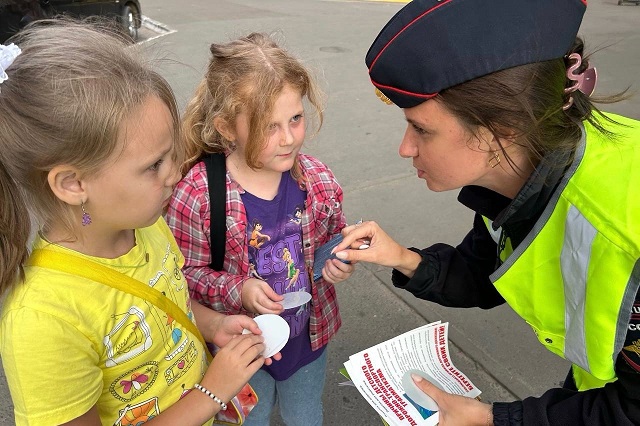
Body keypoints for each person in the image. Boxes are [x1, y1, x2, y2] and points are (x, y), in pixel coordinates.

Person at [333, 0, 640, 425]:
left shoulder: (624, 234)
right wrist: (402, 258)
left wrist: (493, 418)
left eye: (421, 129)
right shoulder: (526, 168)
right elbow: (489, 271)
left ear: (501, 132)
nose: (405, 148)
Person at [0, 20, 279, 426]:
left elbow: (167, 304)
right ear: (72, 183)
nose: (174, 175)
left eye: (171, 155)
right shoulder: (45, 319)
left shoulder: (146, 225)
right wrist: (211, 393)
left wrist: (214, 323)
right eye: (154, 165)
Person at [165, 32, 354, 426]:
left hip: (307, 341)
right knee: (250, 420)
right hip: (241, 350)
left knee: (307, 416)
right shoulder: (198, 195)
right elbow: (180, 278)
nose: (288, 139)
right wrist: (240, 289)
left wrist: (339, 258)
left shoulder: (317, 180)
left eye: (296, 119)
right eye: (270, 126)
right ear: (227, 127)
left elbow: (333, 237)